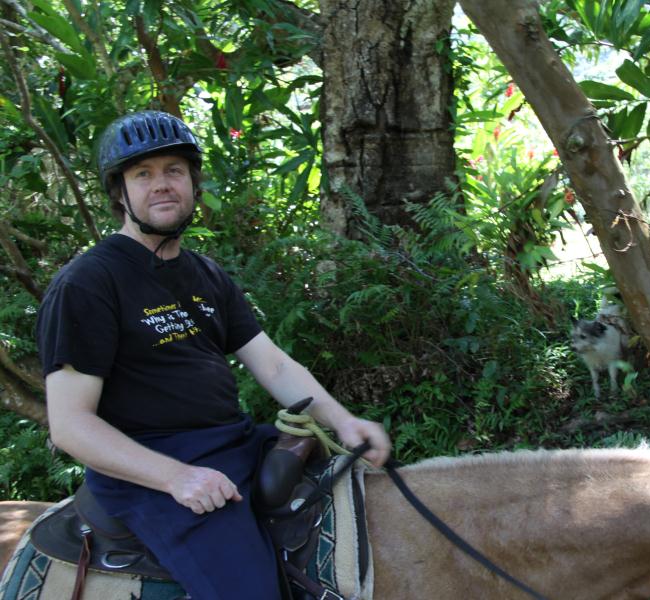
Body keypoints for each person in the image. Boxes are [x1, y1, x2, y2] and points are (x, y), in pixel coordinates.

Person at [35, 110, 391, 599]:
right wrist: (176, 478)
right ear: (119, 193)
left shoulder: (205, 274)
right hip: (151, 472)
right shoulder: (88, 283)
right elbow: (71, 425)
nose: (162, 184)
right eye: (143, 174)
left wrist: (345, 422)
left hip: (231, 443)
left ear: (193, 184)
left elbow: (273, 364)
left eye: (174, 171)